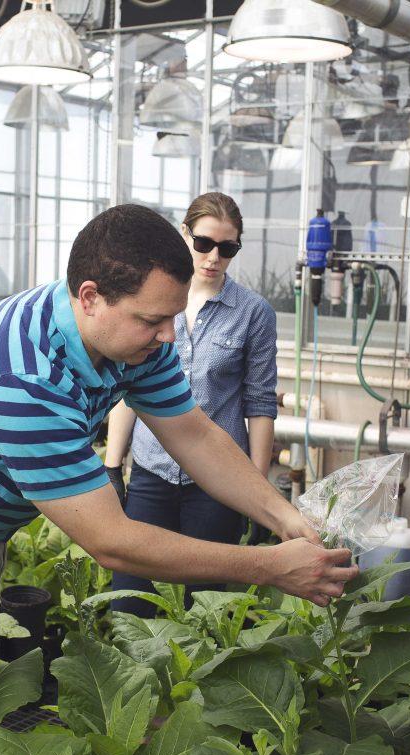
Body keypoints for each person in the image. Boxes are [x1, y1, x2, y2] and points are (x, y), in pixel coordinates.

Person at [0, 204, 358, 755]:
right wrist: (269, 567)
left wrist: (282, 518)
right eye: (152, 320)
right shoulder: (24, 378)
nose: (169, 335)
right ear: (90, 296)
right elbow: (111, 541)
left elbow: (192, 433)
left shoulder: (125, 338)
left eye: (172, 316)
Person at [103, 192, 276, 617]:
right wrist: (112, 465)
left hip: (217, 481)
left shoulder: (253, 313)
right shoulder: (153, 299)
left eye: (227, 248)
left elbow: (259, 402)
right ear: (184, 235)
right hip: (151, 468)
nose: (214, 257)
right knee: (130, 600)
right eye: (204, 243)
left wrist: (256, 491)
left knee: (207, 605)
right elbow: (131, 385)